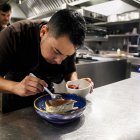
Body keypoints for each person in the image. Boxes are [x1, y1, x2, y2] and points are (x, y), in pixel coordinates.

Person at [0, 9, 93, 113]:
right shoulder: (14, 34)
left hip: (47, 104)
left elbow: (70, 71)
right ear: (43, 32)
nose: (59, 61)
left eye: (67, 55)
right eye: (56, 51)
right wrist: (16, 87)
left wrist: (76, 85)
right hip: (15, 110)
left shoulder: (68, 45)